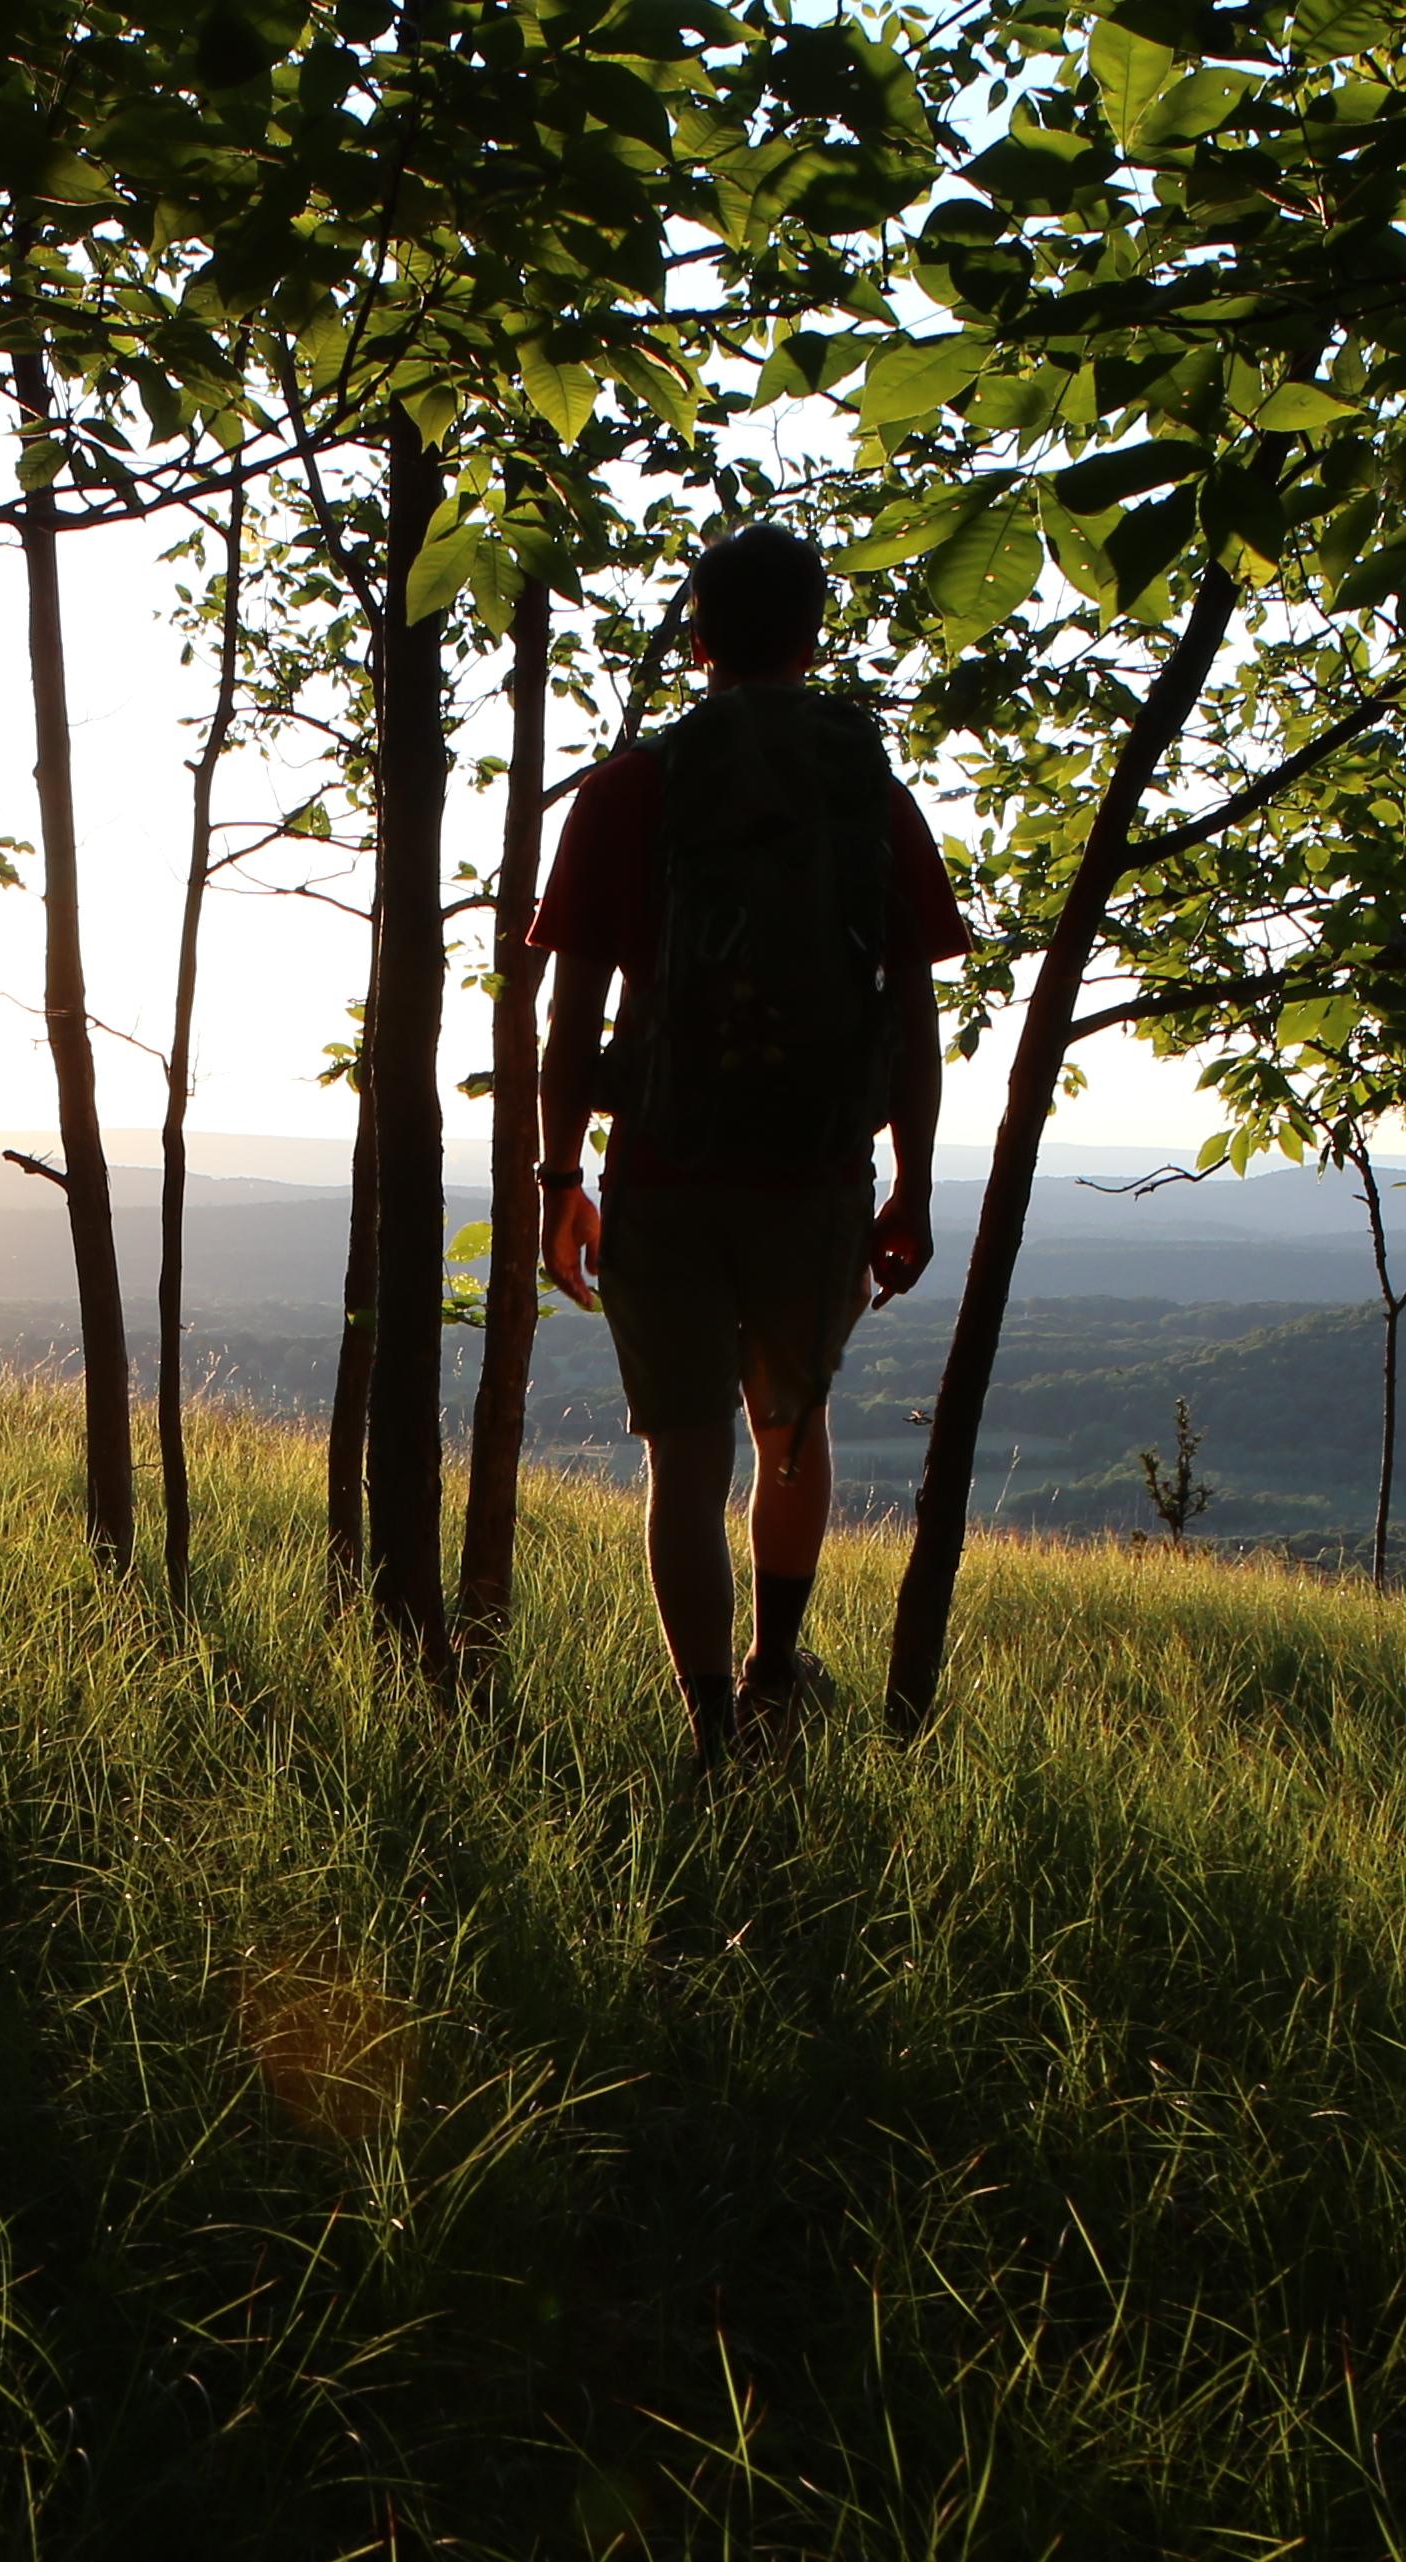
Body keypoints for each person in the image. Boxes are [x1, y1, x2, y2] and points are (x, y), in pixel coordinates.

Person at [527, 526, 972, 1767]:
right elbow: (914, 1011)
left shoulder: (628, 792)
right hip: (817, 1170)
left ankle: (711, 1728)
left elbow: (571, 1016)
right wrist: (912, 1184)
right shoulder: (867, 798)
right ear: (814, 639)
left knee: (686, 1453)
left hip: (664, 1167)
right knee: (791, 1426)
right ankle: (778, 1672)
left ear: (699, 640)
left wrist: (559, 1180)